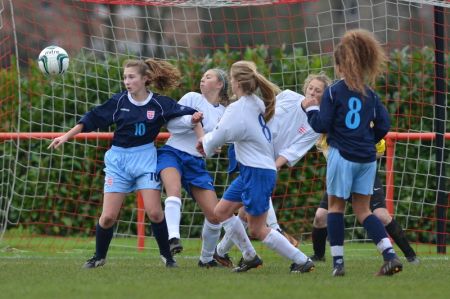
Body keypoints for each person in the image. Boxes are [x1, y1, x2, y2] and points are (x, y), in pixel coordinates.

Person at [48, 58, 199, 269]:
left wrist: (204, 134)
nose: (127, 81)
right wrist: (66, 136)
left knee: (155, 212)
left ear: (145, 79)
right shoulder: (119, 101)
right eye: (125, 77)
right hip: (119, 161)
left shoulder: (160, 103)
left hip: (146, 159)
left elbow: (191, 114)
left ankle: (168, 257)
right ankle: (98, 257)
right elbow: (91, 118)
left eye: (131, 77)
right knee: (108, 217)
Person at [197, 60, 314, 273]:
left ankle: (302, 260)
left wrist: (203, 140)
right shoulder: (255, 103)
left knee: (257, 228)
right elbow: (231, 132)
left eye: (231, 78)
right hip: (252, 170)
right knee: (221, 211)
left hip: (258, 173)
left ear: (236, 82)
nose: (230, 82)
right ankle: (250, 256)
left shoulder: (238, 108)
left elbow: (219, 136)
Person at [302, 28, 402, 276]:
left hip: (342, 155)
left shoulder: (334, 91)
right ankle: (389, 255)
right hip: (366, 158)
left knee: (335, 208)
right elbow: (384, 126)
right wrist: (366, 140)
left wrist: (311, 110)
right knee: (364, 210)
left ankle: (337, 264)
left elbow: (322, 125)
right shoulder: (371, 95)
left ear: (340, 65)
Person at [213, 73, 332, 267]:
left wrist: (273, 165)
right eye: (311, 88)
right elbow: (263, 114)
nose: (312, 92)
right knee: (234, 212)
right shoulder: (287, 96)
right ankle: (226, 253)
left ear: (324, 96)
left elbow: (293, 151)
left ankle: (298, 258)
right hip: (250, 156)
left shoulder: (316, 123)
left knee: (251, 222)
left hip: (262, 166)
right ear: (305, 87)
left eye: (318, 91)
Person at [157, 68, 229, 267]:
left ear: (219, 84)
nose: (202, 79)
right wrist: (191, 119)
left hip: (196, 163)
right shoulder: (191, 98)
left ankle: (206, 260)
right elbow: (171, 124)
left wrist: (215, 147)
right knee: (173, 190)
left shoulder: (224, 113)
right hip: (173, 153)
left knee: (215, 215)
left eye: (208, 77)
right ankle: (173, 238)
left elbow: (211, 147)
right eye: (202, 76)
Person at [310, 138, 419, 264]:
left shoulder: (365, 126)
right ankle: (319, 256)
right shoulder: (328, 131)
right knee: (320, 216)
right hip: (341, 176)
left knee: (381, 215)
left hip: (363, 174)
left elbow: (380, 150)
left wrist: (359, 156)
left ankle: (410, 255)